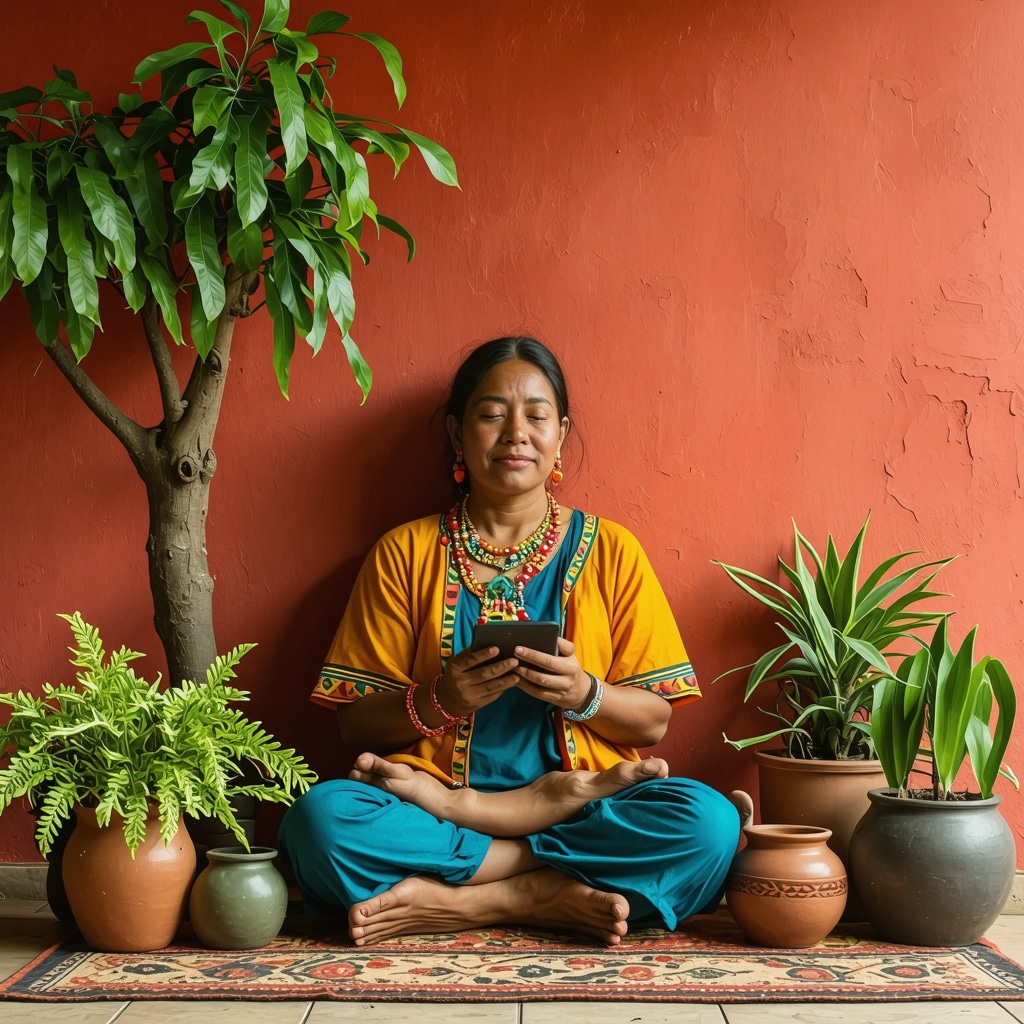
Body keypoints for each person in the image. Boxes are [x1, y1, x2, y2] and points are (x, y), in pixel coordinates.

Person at [279, 336, 747, 947]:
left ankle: (465, 901)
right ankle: (542, 894)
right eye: (492, 413)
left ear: (560, 433)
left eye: (536, 415)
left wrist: (584, 693)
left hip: (584, 809)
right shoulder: (404, 553)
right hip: (432, 808)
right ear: (456, 433)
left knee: (705, 825)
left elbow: (651, 723)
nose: (515, 433)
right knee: (318, 824)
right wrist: (443, 698)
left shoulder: (612, 551)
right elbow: (356, 728)